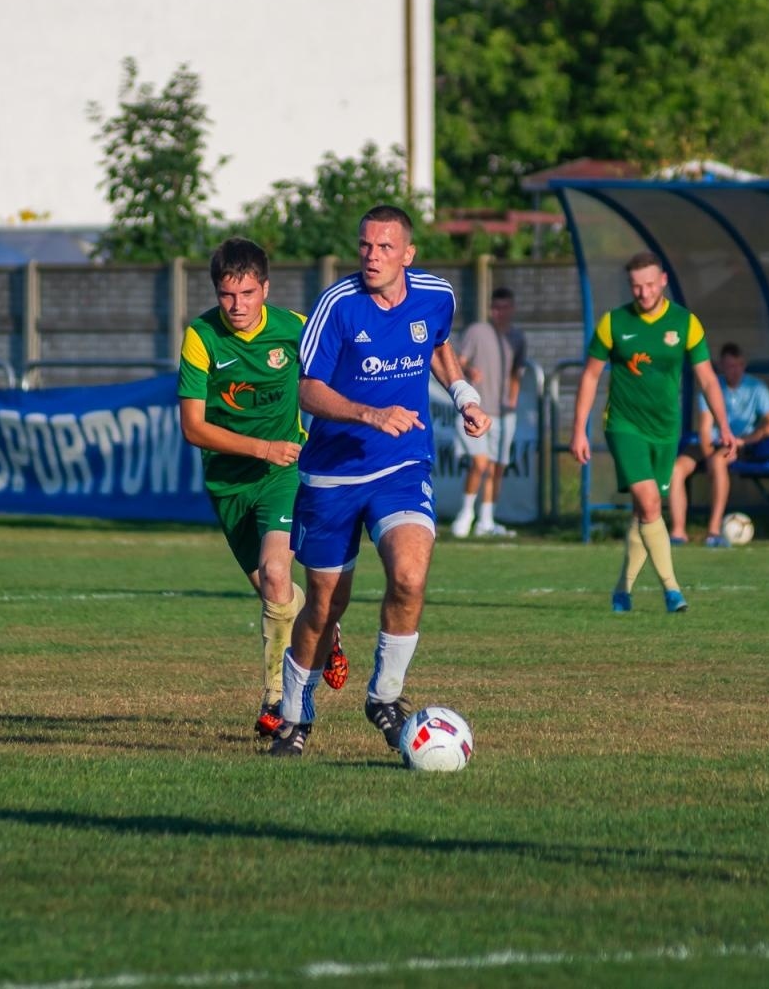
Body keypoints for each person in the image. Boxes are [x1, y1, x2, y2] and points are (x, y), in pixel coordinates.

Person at [267, 205, 489, 757]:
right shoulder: (337, 306)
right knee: (324, 605)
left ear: (407, 254)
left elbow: (437, 344)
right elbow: (308, 390)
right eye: (366, 246)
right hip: (332, 477)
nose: (372, 256)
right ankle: (295, 716)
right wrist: (369, 413)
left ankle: (385, 698)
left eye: (385, 247)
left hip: (402, 466)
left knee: (410, 576)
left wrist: (464, 396)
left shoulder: (436, 295)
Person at [177, 237, 348, 738]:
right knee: (278, 595)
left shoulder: (295, 329)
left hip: (283, 474)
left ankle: (278, 698)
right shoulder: (201, 336)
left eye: (248, 294)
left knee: (277, 575)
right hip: (229, 484)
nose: (237, 306)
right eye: (227, 295)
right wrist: (259, 447)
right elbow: (193, 428)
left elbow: (334, 382)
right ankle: (326, 625)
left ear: (265, 289)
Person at [570, 252, 736, 613]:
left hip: (665, 430)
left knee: (645, 512)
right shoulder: (613, 323)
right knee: (648, 504)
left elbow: (707, 377)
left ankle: (622, 591)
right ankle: (672, 591)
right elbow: (589, 376)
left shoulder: (685, 323)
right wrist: (579, 430)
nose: (643, 293)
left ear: (662, 280)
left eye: (648, 285)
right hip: (624, 425)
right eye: (635, 287)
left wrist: (725, 426)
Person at [668, 342, 769, 547]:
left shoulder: (756, 388)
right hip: (710, 443)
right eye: (729, 366)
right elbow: (705, 426)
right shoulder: (711, 386)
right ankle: (677, 531)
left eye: (738, 365)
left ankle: (713, 530)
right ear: (720, 366)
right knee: (676, 469)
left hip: (737, 443)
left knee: (719, 462)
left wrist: (747, 440)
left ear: (744, 365)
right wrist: (708, 452)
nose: (734, 371)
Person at [451, 287, 528, 538]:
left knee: (496, 467)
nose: (500, 313)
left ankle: (486, 519)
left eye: (505, 307)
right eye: (496, 308)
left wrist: (513, 399)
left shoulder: (517, 338)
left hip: (504, 413)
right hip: (477, 411)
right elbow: (457, 363)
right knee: (480, 463)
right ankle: (466, 515)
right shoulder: (477, 332)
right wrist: (470, 370)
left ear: (512, 309)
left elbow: (517, 371)